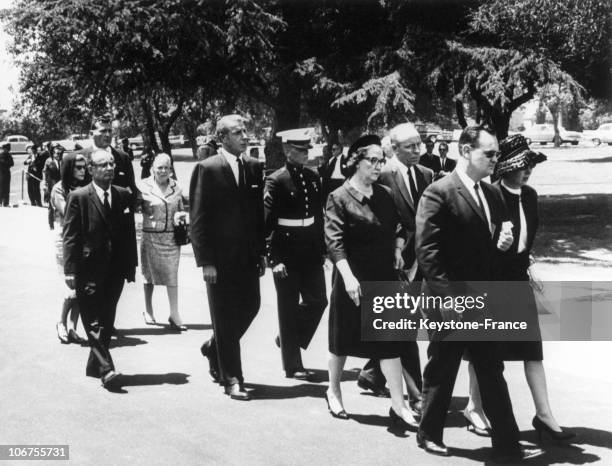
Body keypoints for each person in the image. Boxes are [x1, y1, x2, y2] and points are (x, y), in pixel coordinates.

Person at [415, 126, 543, 462]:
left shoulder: (493, 194)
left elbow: (495, 249)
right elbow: (427, 252)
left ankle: (508, 442)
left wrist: (502, 246)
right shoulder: (438, 192)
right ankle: (429, 433)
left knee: (491, 369)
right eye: (489, 153)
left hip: (482, 298)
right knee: (443, 368)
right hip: (450, 299)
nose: (495, 160)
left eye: (497, 153)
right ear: (466, 150)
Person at [464, 134, 575, 442]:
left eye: (530, 166)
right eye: (522, 165)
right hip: (491, 280)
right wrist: (497, 248)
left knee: (531, 350)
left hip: (518, 279)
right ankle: (474, 407)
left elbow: (526, 240)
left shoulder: (530, 195)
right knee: (487, 352)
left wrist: (529, 263)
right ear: (505, 166)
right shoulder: (488, 195)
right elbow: (477, 243)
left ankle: (544, 415)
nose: (528, 171)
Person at [324, 134, 418, 429]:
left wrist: (399, 248)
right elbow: (334, 242)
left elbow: (400, 226)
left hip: (383, 278)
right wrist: (349, 278)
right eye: (372, 160)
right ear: (356, 162)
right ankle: (334, 390)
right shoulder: (338, 197)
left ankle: (399, 405)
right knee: (341, 342)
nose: (378, 166)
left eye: (381, 160)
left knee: (388, 341)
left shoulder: (385, 195)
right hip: (352, 280)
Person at [189, 114, 266, 401]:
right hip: (219, 261)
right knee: (223, 317)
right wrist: (205, 261)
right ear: (222, 138)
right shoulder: (207, 169)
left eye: (246, 131)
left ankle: (215, 347)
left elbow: (258, 215)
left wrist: (261, 253)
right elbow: (198, 218)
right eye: (237, 132)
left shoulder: (254, 168)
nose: (245, 136)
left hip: (247, 258)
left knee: (252, 306)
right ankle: (232, 378)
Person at [358, 123, 433, 411]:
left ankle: (371, 374)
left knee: (406, 323)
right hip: (393, 259)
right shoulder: (383, 174)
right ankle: (417, 395)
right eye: (410, 146)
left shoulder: (426, 174)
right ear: (394, 147)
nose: (417, 150)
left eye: (419, 145)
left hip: (420, 261)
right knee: (404, 325)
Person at [63, 149, 137, 390]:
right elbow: (71, 236)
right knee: (93, 319)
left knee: (106, 319)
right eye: (102, 165)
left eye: (111, 164)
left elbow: (128, 233)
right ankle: (106, 370)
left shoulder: (124, 194)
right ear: (92, 170)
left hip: (116, 269)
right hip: (88, 268)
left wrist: (131, 266)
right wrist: (70, 270)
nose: (109, 168)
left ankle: (93, 366)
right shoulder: (79, 197)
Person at [264, 130, 327, 380]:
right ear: (288, 151)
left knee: (319, 300)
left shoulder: (313, 177)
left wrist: (323, 249)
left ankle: (288, 336)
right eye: (300, 150)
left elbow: (319, 217)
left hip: (310, 251)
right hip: (286, 252)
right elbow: (267, 224)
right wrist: (274, 259)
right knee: (288, 308)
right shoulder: (276, 180)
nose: (305, 154)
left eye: (306, 150)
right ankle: (293, 364)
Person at [136, 153, 188, 331]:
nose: (163, 170)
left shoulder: (177, 187)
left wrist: (181, 215)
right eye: (160, 167)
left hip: (171, 238)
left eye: (167, 167)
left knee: (172, 274)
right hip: (150, 237)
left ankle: (174, 314)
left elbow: (181, 208)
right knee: (148, 274)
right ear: (152, 169)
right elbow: (135, 207)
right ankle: (148, 310)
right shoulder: (143, 186)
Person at [51, 153, 89, 344]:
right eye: (78, 167)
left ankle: (73, 327)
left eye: (85, 167)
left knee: (83, 288)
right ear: (69, 168)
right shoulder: (59, 189)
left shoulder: (85, 186)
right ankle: (61, 322)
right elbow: (68, 213)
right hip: (66, 241)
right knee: (71, 288)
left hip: (85, 241)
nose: (83, 170)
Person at [44, 144, 64, 227]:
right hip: (51, 186)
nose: (58, 155)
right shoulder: (49, 162)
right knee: (51, 206)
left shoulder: (63, 162)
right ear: (53, 153)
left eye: (60, 154)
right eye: (57, 153)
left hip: (61, 187)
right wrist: (45, 185)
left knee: (61, 205)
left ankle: (60, 223)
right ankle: (51, 224)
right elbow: (45, 174)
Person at [0, 142, 14, 206]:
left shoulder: (9, 155)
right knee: (1, 188)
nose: (6, 150)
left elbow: (12, 163)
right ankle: (1, 202)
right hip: (1, 173)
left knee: (6, 188)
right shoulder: (1, 155)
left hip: (6, 173)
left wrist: (5, 163)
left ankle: (6, 202)